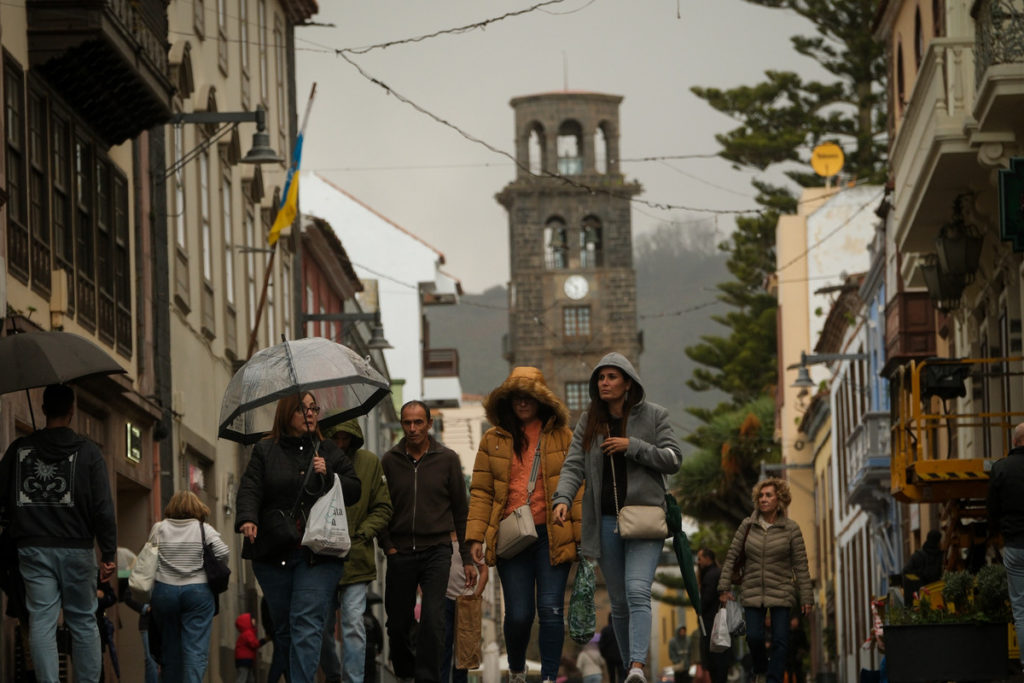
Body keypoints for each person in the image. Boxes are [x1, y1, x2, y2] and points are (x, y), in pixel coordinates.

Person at [553, 353, 683, 683]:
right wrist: (563, 499)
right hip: (606, 524)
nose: (605, 383)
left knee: (638, 590)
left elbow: (673, 459)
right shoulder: (588, 422)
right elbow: (573, 467)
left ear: (628, 383)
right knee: (620, 604)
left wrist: (633, 445)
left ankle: (637, 665)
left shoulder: (655, 416)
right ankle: (631, 670)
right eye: (601, 378)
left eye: (612, 377)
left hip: (644, 520)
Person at [466, 367, 582, 683]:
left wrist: (581, 534)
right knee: (518, 615)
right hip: (511, 536)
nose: (522, 402)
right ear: (507, 400)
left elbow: (578, 486)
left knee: (552, 611)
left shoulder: (563, 436)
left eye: (528, 395)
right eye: (516, 396)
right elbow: (481, 491)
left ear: (541, 399)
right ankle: (517, 670)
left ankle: (547, 677)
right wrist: (475, 536)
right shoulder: (494, 439)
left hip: (552, 535)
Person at [236, 392, 361, 683]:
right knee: (285, 630)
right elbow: (250, 488)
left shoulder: (327, 450)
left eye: (313, 408)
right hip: (273, 552)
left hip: (318, 555)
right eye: (302, 409)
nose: (309, 414)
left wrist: (329, 474)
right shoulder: (265, 450)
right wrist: (248, 518)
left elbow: (354, 490)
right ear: (286, 414)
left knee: (305, 624)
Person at [0, 383, 117, 683]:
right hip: (77, 547)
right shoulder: (88, 452)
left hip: (33, 548)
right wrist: (108, 552)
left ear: (43, 408)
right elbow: (103, 507)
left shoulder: (20, 450)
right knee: (83, 620)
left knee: (41, 619)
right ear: (72, 410)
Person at [380, 400, 477, 683]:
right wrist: (388, 546)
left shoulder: (447, 459)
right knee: (398, 624)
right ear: (401, 424)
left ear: (429, 424)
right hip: (400, 551)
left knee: (434, 620)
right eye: (407, 422)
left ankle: (426, 679)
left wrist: (468, 558)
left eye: (418, 422)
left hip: (437, 550)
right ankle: (405, 673)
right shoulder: (389, 460)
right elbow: (381, 506)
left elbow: (461, 509)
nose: (412, 428)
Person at [320, 418, 394, 683]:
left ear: (353, 437)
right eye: (335, 438)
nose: (340, 443)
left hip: (357, 554)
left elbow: (383, 506)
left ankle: (353, 679)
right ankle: (332, 674)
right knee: (323, 627)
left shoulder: (369, 462)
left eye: (345, 438)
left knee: (353, 624)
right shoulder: (316, 459)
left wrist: (363, 533)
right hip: (322, 556)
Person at [718, 478, 813, 683]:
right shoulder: (747, 525)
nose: (763, 499)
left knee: (781, 640)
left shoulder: (791, 529)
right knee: (754, 637)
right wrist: (724, 587)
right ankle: (760, 668)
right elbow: (732, 556)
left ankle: (773, 679)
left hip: (781, 590)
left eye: (768, 495)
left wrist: (806, 597)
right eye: (760, 496)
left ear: (779, 499)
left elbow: (801, 565)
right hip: (752, 589)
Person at [147, 490, 230, 682]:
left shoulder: (159, 528)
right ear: (196, 507)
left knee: (169, 647)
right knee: (195, 648)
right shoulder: (203, 528)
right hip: (198, 591)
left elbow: (149, 556)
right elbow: (223, 552)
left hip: (164, 591)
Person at [987, 421, 1024, 669]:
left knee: (1020, 609)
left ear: (1014, 442)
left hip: (1015, 546)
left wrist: (997, 536)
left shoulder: (1001, 469)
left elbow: (992, 510)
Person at [441, 538, 488, 683]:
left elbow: (484, 571)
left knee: (465, 650)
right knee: (443, 647)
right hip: (444, 599)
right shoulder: (440, 537)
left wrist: (475, 596)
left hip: (465, 602)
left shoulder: (470, 541)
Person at [695, 548, 730, 683]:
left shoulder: (710, 575)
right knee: (720, 660)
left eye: (700, 558)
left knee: (715, 661)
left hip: (712, 623)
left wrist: (699, 609)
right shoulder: (716, 572)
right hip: (718, 623)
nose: (698, 562)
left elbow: (707, 599)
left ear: (707, 558)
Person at [902, 529, 943, 599]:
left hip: (937, 596)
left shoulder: (940, 556)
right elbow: (906, 573)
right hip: (921, 597)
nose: (941, 543)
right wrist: (919, 582)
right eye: (940, 541)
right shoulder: (918, 556)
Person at [235, 612, 268, 683]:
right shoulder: (248, 633)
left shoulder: (246, 633)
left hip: (245, 660)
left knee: (249, 678)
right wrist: (264, 640)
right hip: (244, 660)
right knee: (242, 678)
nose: (254, 621)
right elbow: (254, 644)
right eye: (252, 619)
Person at [783, 616, 808, 683]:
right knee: (788, 674)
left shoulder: (801, 632)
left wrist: (801, 652)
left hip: (797, 657)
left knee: (798, 674)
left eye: (796, 621)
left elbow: (805, 645)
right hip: (788, 657)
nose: (794, 622)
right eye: (793, 620)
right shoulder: (787, 632)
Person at [599, 618, 624, 683]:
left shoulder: (605, 630)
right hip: (621, 657)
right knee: (621, 675)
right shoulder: (621, 629)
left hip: (609, 657)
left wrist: (604, 655)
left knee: (611, 676)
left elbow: (601, 645)